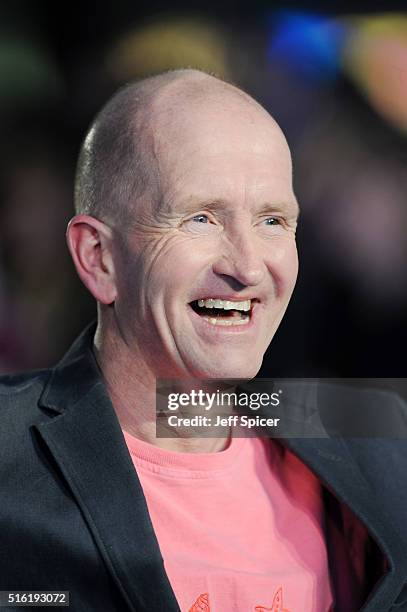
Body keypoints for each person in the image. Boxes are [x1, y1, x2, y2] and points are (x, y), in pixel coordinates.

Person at [0, 69, 406, 612]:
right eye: (200, 218)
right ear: (99, 257)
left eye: (272, 220)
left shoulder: (376, 431)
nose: (247, 267)